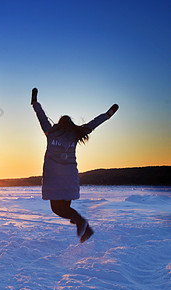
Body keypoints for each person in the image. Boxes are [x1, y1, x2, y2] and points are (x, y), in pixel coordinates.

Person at [31, 87, 119, 242]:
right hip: (70, 177)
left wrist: (35, 103)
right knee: (65, 208)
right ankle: (85, 229)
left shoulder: (50, 132)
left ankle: (82, 222)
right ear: (70, 124)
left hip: (54, 178)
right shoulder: (75, 134)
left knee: (57, 209)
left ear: (59, 123)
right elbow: (93, 124)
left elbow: (42, 117)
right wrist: (107, 115)